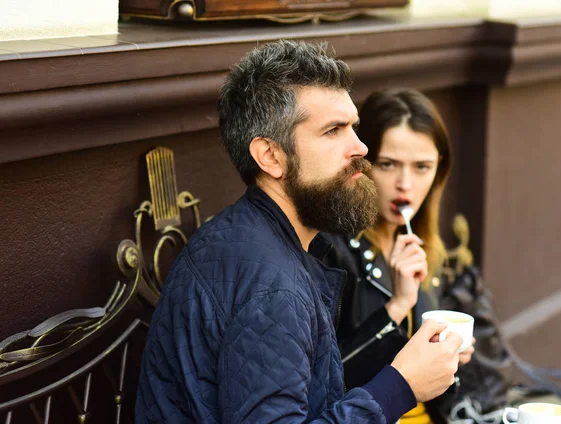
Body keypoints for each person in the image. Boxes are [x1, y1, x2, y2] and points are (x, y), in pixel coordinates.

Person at [135, 41, 464, 423]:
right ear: (271, 156)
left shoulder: (257, 240)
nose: (359, 147)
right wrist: (401, 385)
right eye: (333, 131)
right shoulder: (272, 284)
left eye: (353, 127)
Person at [324, 89, 473, 424]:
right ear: (362, 165)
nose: (405, 184)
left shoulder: (429, 249)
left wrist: (450, 361)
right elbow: (329, 384)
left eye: (422, 167)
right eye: (389, 165)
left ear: (439, 172)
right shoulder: (334, 252)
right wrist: (398, 304)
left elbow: (442, 393)